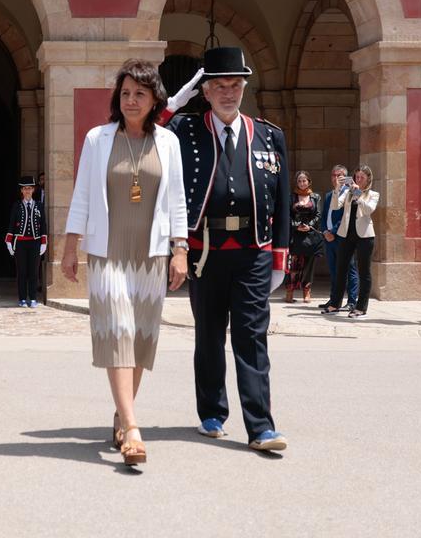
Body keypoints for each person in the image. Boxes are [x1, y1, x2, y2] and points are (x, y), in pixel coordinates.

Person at [163, 46, 290, 454]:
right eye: (219, 85)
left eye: (235, 85)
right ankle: (213, 412)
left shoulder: (270, 135)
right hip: (206, 250)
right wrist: (177, 99)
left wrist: (279, 259)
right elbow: (147, 127)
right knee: (209, 334)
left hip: (254, 250)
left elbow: (284, 200)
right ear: (206, 90)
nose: (229, 93)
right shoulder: (185, 130)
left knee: (252, 337)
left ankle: (261, 427)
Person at [62, 59, 188, 466]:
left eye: (140, 93)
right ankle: (133, 428)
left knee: (140, 337)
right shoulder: (98, 139)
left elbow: (177, 201)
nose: (131, 100)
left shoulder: (168, 142)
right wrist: (70, 247)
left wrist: (180, 249)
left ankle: (121, 415)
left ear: (155, 100)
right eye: (126, 93)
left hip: (150, 253)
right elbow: (82, 194)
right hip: (107, 252)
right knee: (117, 329)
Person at [324, 164, 379, 319]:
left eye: (362, 177)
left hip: (365, 236)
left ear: (368, 179)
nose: (359, 179)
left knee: (364, 272)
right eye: (357, 177)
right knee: (341, 270)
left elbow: (368, 210)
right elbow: (335, 206)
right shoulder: (347, 192)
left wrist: (358, 193)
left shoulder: (373, 194)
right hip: (346, 234)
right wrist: (337, 188)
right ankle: (335, 304)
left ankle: (361, 307)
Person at [319, 164, 359, 311]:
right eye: (333, 175)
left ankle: (352, 301)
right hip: (328, 239)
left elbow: (344, 217)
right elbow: (324, 216)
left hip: (343, 237)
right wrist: (324, 231)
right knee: (334, 270)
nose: (335, 178)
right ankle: (334, 300)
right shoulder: (330, 195)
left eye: (339, 176)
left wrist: (333, 232)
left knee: (350, 269)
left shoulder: (350, 193)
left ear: (345, 178)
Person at [6, 175, 47, 308]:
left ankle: (33, 298)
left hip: (35, 243)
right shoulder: (17, 206)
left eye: (30, 188)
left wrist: (43, 242)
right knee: (22, 272)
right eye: (25, 189)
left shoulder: (39, 206)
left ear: (33, 190)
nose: (27, 191)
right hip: (20, 243)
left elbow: (43, 225)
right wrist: (9, 241)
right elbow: (12, 224)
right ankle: (22, 298)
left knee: (34, 272)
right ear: (21, 191)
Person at [286, 171, 323, 303]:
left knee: (309, 264)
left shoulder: (315, 197)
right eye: (299, 181)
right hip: (295, 235)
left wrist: (309, 226)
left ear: (309, 181)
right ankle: (290, 291)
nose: (302, 183)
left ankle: (307, 291)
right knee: (293, 263)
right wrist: (296, 226)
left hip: (310, 234)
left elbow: (318, 215)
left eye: (304, 180)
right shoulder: (291, 197)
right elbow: (287, 215)